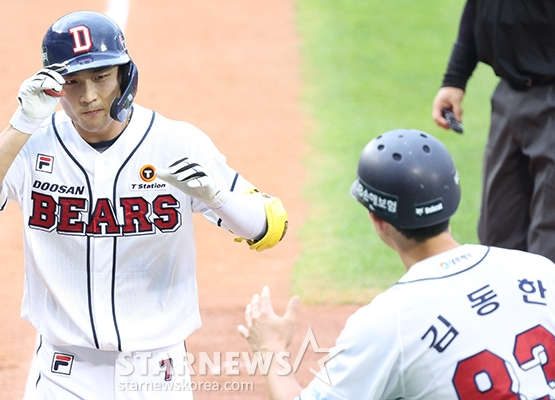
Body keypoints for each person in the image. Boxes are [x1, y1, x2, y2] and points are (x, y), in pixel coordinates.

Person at [0, 10, 288, 399]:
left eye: (101, 77)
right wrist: (22, 123)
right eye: (72, 82)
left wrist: (219, 198)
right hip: (63, 373)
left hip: (156, 373)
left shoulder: (176, 142)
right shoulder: (32, 146)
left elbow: (268, 227)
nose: (89, 96)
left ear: (124, 75)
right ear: (53, 85)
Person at [238, 129, 555, 399]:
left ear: (377, 220)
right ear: (453, 198)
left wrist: (271, 349)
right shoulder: (539, 269)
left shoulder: (387, 324)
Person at [431, 0, 555, 263]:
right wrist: (455, 78)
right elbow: (479, 5)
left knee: (549, 239)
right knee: (497, 234)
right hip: (509, 96)